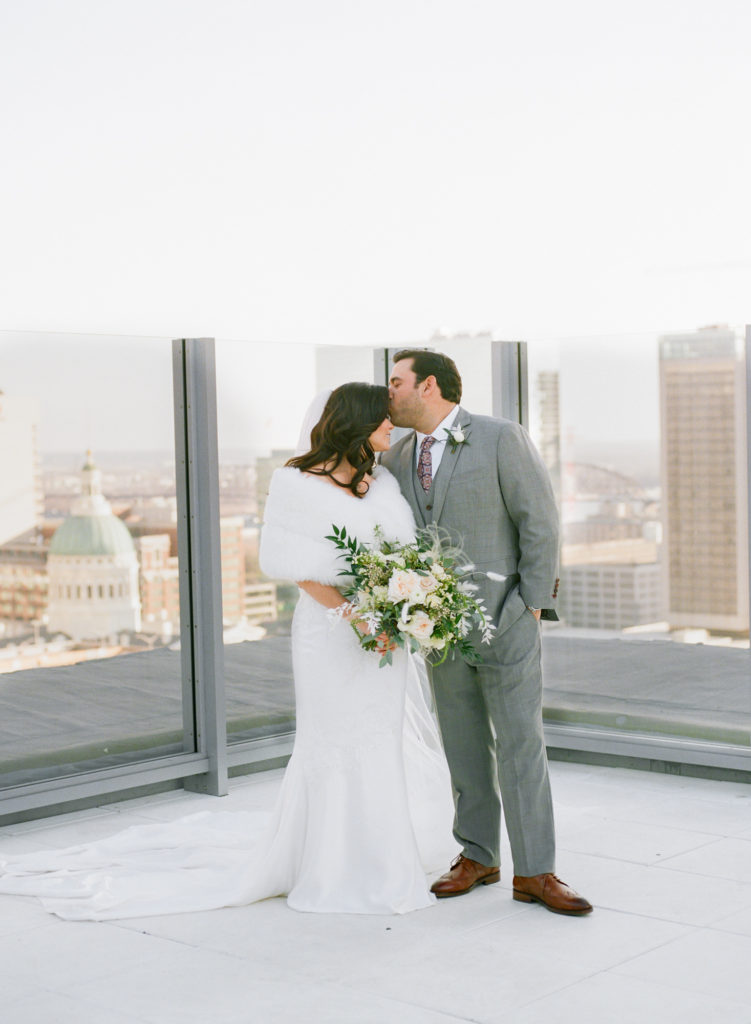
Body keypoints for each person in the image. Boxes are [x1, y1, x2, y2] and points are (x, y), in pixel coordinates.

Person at [0, 383, 456, 919]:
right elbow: (291, 565)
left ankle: (383, 856)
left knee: (379, 743)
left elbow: (399, 557)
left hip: (384, 640)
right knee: (332, 741)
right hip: (331, 634)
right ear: (355, 421)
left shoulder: (381, 484)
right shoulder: (295, 484)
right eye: (383, 418)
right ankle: (328, 864)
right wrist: (354, 616)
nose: (393, 426)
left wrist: (399, 607)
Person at [382, 349, 592, 916]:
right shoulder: (397, 457)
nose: (389, 393)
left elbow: (539, 521)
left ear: (428, 386)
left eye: (395, 382)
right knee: (463, 744)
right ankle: (477, 855)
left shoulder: (501, 437)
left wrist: (530, 607)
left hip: (508, 619)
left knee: (521, 745)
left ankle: (537, 871)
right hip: (438, 631)